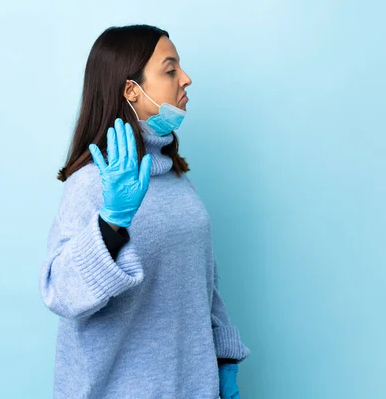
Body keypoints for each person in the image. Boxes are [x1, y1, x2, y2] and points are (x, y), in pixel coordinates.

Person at [39, 24, 251, 399]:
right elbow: (60, 292)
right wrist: (112, 222)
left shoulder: (177, 180)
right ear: (131, 90)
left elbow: (203, 284)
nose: (185, 79)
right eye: (170, 70)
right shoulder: (92, 185)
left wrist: (224, 359)